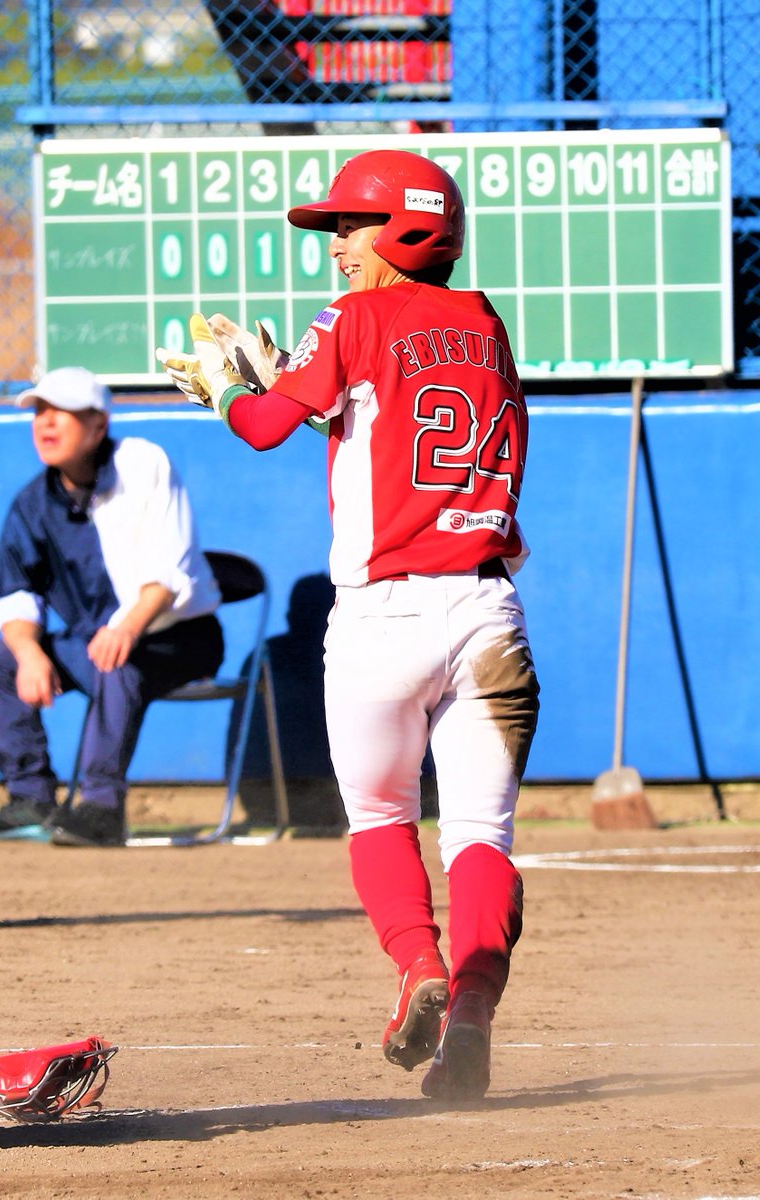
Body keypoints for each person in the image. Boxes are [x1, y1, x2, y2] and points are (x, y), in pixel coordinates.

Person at [158, 150, 539, 1100]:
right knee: (482, 838)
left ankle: (419, 970)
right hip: (490, 612)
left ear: (406, 231)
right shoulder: (487, 324)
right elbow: (394, 412)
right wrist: (310, 385)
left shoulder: (356, 315)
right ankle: (474, 1013)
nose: (335, 247)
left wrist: (231, 392)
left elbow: (260, 429)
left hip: (381, 618)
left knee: (378, 819)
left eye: (349, 226)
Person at [0, 366, 224, 847]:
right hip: (97, 642)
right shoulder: (32, 503)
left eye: (61, 412)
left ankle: (101, 807)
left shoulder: (144, 464)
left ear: (99, 424)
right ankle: (32, 799)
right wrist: (29, 654)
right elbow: (16, 596)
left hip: (180, 639)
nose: (45, 423)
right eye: (39, 412)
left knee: (115, 661)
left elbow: (170, 573)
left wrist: (127, 627)